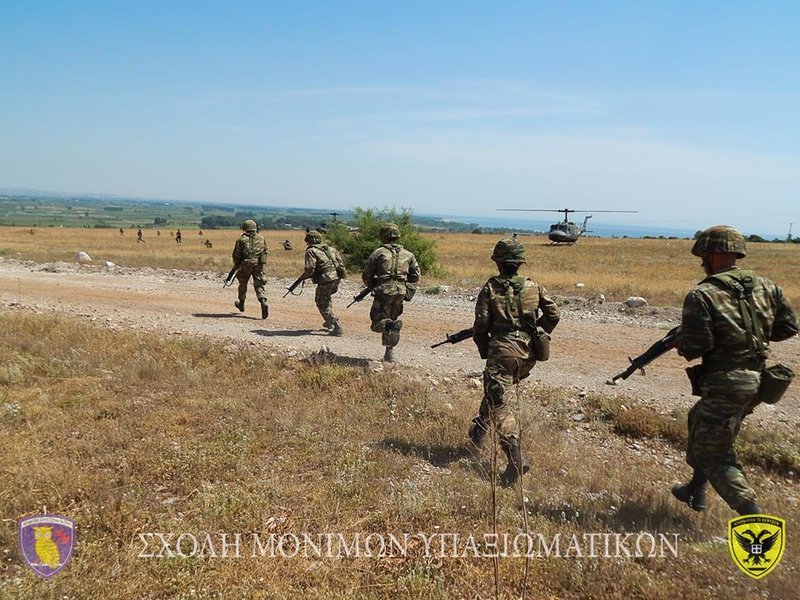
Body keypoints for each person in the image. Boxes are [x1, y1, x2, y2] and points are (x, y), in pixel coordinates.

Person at [672, 225, 798, 515]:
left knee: (715, 452)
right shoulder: (768, 286)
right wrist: (753, 336)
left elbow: (697, 346)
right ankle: (696, 489)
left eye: (704, 255)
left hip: (726, 382)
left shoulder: (703, 294)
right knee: (700, 421)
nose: (703, 261)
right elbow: (789, 327)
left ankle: (755, 521)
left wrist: (683, 342)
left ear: (710, 254)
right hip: (759, 381)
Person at [469, 238, 560, 487]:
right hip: (528, 355)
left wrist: (485, 349)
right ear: (519, 263)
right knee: (498, 393)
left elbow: (481, 325)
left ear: (498, 262)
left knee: (501, 405)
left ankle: (515, 458)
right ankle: (478, 430)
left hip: (502, 352)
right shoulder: (534, 286)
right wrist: (534, 331)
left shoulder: (490, 288)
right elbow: (554, 313)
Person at [362, 222, 420, 362]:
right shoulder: (409, 254)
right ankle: (389, 354)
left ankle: (389, 327)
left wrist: (372, 285)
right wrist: (405, 287)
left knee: (377, 323)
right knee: (391, 320)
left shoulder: (378, 252)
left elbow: (367, 274)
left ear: (383, 236)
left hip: (383, 291)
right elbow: (415, 276)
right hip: (400, 291)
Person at [299, 230, 346, 336]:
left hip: (326, 278)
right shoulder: (331, 249)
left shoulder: (311, 251)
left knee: (321, 302)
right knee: (326, 298)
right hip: (336, 278)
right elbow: (340, 264)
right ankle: (329, 322)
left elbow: (310, 267)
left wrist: (305, 276)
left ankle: (336, 325)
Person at [231, 219, 269, 319]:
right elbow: (265, 252)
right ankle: (263, 301)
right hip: (258, 264)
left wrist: (236, 264)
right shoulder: (261, 238)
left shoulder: (241, 240)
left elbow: (236, 254)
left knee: (243, 284)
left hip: (245, 264)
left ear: (245, 228)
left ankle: (241, 303)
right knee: (259, 284)